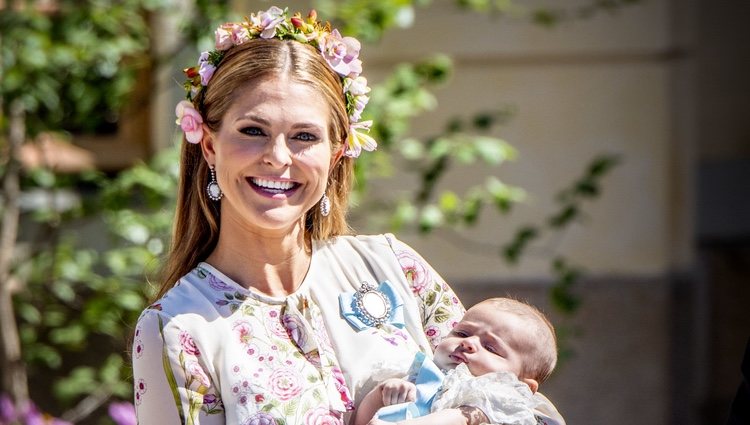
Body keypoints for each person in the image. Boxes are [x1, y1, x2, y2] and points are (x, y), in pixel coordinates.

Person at [131, 6, 566, 425]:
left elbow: (528, 405)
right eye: (253, 131)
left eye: (304, 136)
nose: (278, 157)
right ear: (209, 145)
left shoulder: (394, 267)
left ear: (336, 154)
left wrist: (465, 418)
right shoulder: (176, 329)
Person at [353, 298, 558, 425]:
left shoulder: (501, 399)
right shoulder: (420, 377)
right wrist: (379, 397)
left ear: (522, 386)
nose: (468, 343)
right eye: (461, 333)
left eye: (490, 348)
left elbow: (459, 419)